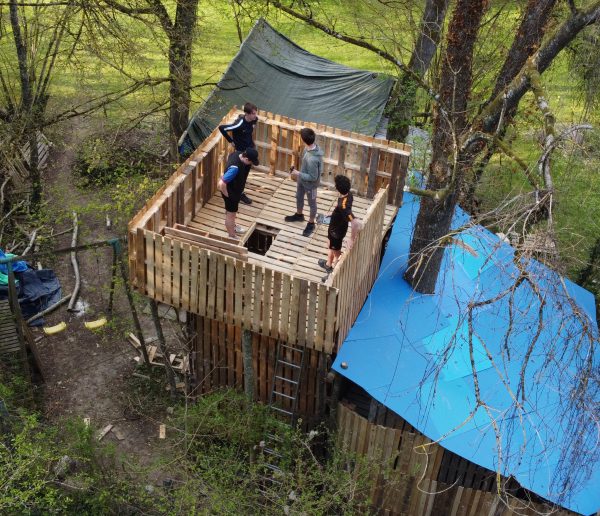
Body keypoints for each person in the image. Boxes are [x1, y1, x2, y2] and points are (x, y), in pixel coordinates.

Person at [318, 175, 362, 273]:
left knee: (337, 254)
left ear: (337, 188)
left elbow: (354, 222)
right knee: (330, 245)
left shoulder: (344, 206)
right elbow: (341, 207)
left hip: (336, 232)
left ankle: (333, 272)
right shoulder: (348, 194)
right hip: (335, 227)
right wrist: (333, 213)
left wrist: (351, 239)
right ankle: (328, 265)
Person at [285, 128, 324, 237]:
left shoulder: (312, 159)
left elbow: (313, 177)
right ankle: (299, 215)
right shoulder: (308, 148)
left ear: (303, 139)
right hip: (302, 180)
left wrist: (298, 173)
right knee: (298, 196)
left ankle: (311, 223)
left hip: (311, 185)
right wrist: (298, 173)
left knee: (312, 204)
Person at [218, 102, 258, 205]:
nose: (255, 115)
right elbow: (222, 128)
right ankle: (236, 192)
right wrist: (231, 141)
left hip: (249, 151)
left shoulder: (254, 120)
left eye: (255, 113)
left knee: (245, 175)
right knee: (240, 175)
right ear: (247, 113)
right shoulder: (240, 124)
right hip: (241, 154)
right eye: (253, 113)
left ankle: (240, 192)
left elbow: (251, 129)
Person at [217, 148, 259, 239]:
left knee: (232, 213)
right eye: (251, 162)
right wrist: (227, 194)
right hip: (231, 193)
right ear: (247, 159)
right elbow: (221, 183)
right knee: (231, 215)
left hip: (235, 192)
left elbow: (228, 162)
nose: (251, 164)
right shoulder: (235, 168)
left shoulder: (238, 153)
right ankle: (232, 235)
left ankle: (233, 227)